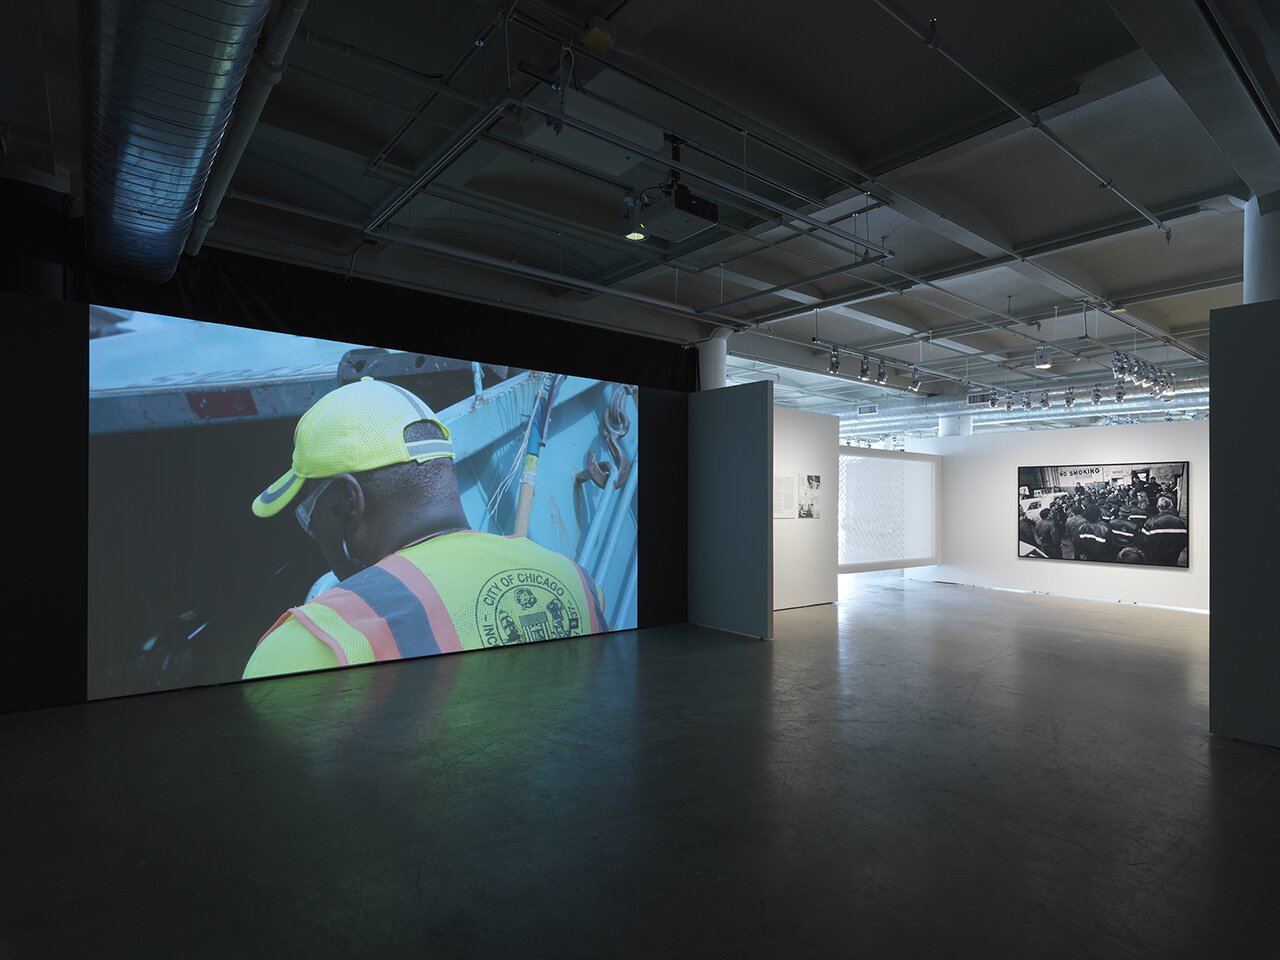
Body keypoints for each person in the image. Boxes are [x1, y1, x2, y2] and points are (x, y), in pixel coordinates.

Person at [243, 377, 607, 679]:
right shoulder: (577, 582)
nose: (314, 535)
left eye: (309, 516)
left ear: (347, 503)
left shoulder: (308, 649)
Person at [1140, 496, 1189, 566]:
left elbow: (1143, 541)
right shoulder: (1181, 523)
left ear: (1158, 507)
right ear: (1171, 506)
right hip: (1174, 558)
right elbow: (1185, 541)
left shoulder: (1150, 522)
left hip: (1154, 559)